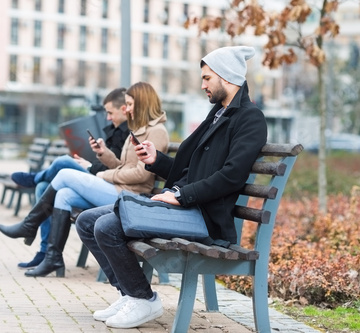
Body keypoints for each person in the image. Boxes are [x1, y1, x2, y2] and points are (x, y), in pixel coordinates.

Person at [75, 46, 268, 329]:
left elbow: (232, 176)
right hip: (186, 206)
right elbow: (190, 170)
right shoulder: (217, 115)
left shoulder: (249, 119)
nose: (202, 85)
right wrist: (158, 161)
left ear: (226, 77)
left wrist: (180, 195)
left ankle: (143, 299)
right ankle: (131, 294)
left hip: (204, 217)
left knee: (106, 227)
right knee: (87, 220)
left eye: (206, 78)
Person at [0, 82, 170, 277]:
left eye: (130, 104)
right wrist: (103, 154)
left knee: (64, 174)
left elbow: (142, 174)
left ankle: (29, 225)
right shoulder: (139, 128)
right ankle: (53, 257)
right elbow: (122, 165)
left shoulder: (156, 131)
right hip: (118, 188)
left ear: (142, 103)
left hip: (130, 197)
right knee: (64, 194)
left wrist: (103, 174)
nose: (127, 109)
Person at [13, 88, 130, 269]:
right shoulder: (115, 131)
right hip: (100, 179)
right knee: (43, 187)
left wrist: (90, 166)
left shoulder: (131, 133)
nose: (107, 117)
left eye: (110, 112)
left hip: (108, 184)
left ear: (124, 108)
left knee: (63, 162)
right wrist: (97, 156)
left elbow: (121, 169)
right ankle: (46, 253)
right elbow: (114, 164)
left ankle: (33, 184)